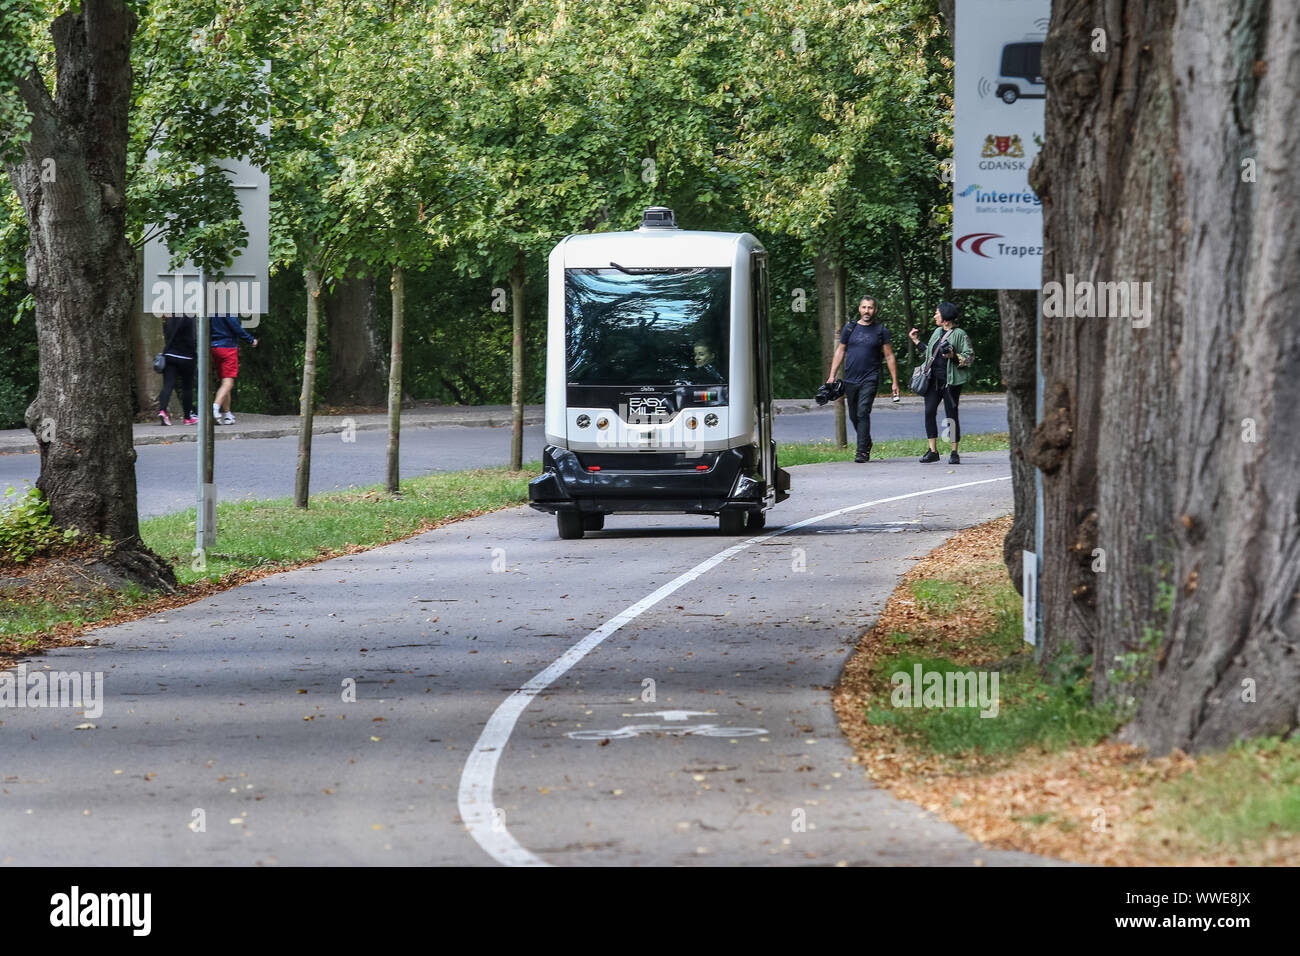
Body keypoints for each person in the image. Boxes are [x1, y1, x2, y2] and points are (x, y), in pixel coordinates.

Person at [826, 296, 900, 462]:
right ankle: (866, 441)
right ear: (859, 309)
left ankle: (862, 452)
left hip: (870, 378)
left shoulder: (881, 330)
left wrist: (895, 381)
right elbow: (840, 351)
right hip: (850, 379)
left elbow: (889, 356)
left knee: (863, 412)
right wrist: (832, 375)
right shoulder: (850, 328)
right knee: (853, 415)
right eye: (864, 307)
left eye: (870, 308)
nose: (867, 311)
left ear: (876, 310)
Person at [910, 301, 974, 464]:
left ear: (945, 317)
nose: (934, 316)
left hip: (951, 382)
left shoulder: (960, 334)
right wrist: (916, 341)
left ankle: (954, 452)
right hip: (933, 381)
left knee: (951, 415)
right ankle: (933, 451)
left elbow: (970, 357)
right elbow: (929, 354)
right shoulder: (937, 332)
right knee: (929, 412)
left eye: (937, 313)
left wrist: (953, 356)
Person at [210, 314, 258, 425]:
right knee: (228, 383)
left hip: (215, 347)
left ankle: (227, 414)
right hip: (227, 347)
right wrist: (250, 340)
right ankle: (215, 408)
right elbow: (235, 326)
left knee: (225, 381)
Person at [156, 314, 198, 426]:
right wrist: (194, 354)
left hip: (170, 356)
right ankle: (187, 418)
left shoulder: (169, 320)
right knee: (187, 388)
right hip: (187, 357)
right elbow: (192, 338)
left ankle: (163, 411)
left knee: (167, 385)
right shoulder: (190, 317)